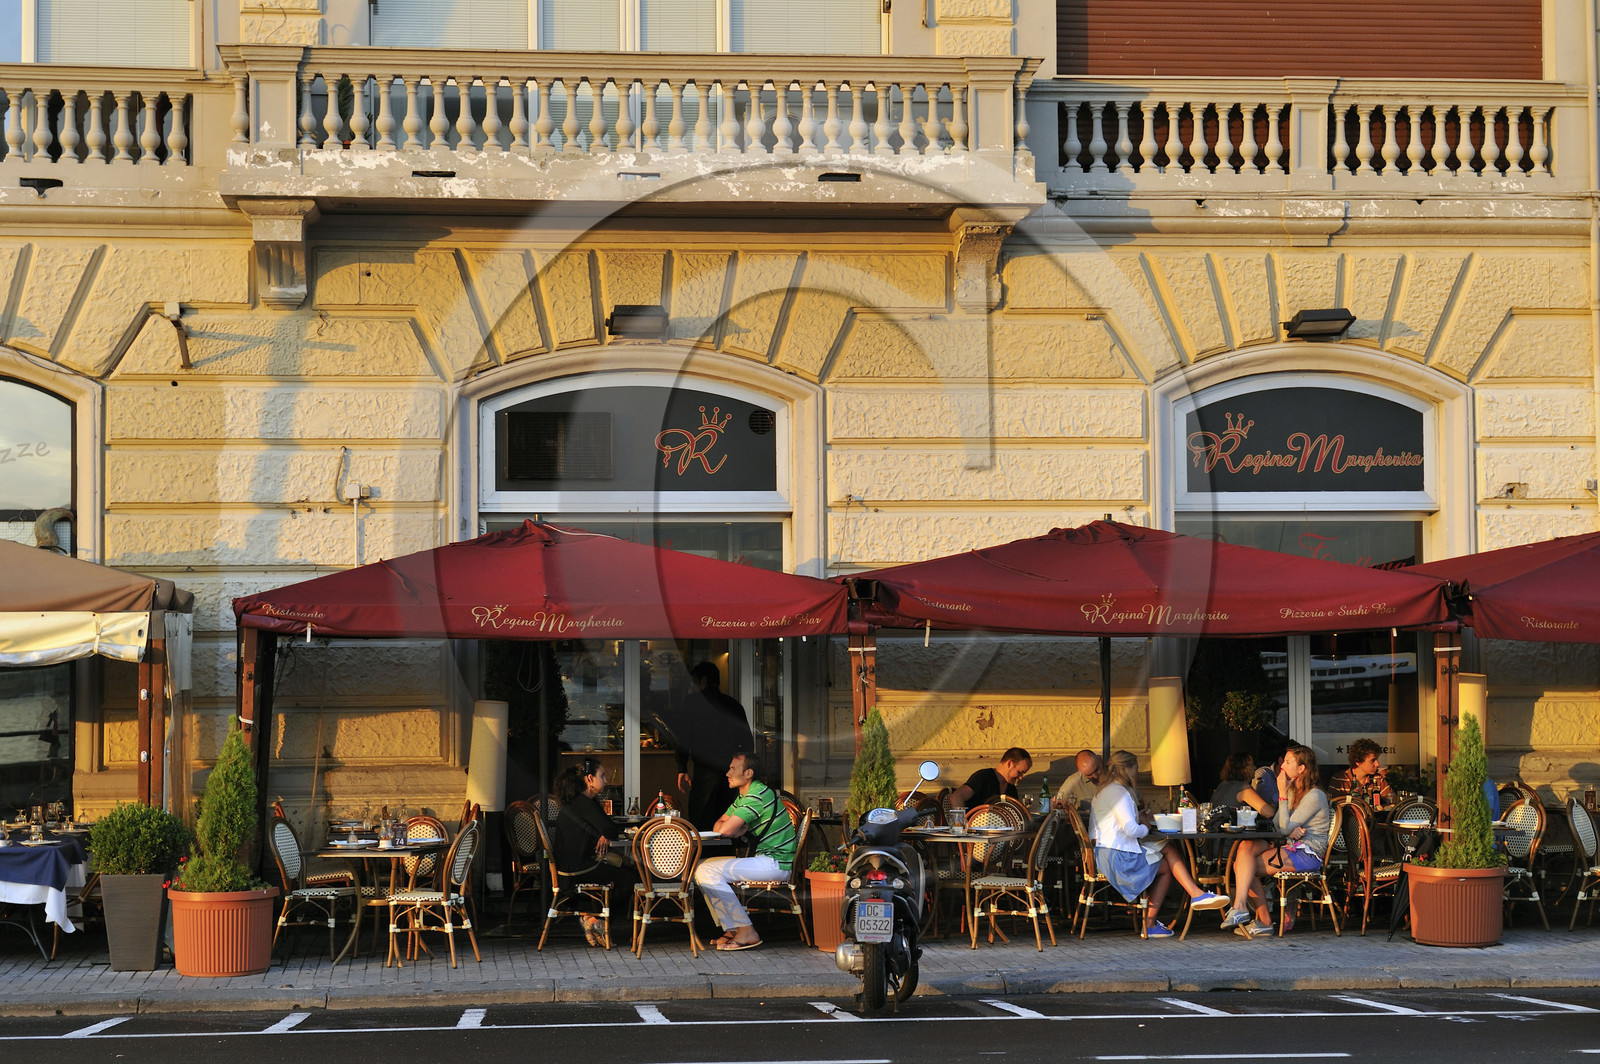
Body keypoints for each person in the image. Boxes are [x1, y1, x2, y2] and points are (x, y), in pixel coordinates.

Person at [1090, 749, 1231, 938]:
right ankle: (1190, 897)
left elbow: (1116, 823)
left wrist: (1136, 818)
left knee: (1166, 857)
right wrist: (1146, 826)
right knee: (1168, 851)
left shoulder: (1106, 790)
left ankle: (1178, 906)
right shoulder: (1120, 792)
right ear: (1127, 769)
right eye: (1136, 768)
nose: (1138, 773)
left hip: (1106, 853)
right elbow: (1131, 830)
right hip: (1119, 858)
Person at [1222, 743, 1332, 939]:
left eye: (1288, 762)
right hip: (1289, 845)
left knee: (1243, 866)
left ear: (1301, 769)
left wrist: (1282, 798)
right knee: (1246, 848)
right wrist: (1288, 829)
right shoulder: (1293, 791)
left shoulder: (1314, 795)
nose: (1282, 767)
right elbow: (1277, 824)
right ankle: (1242, 909)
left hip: (1307, 852)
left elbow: (1282, 827)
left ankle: (1257, 917)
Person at [693, 750, 799, 950]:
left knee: (707, 871)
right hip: (766, 860)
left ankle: (746, 929)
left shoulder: (756, 795)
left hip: (775, 863)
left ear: (748, 773)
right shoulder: (746, 796)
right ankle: (733, 929)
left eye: (733, 769)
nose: (727, 773)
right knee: (701, 867)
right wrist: (730, 828)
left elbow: (724, 829)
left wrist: (731, 828)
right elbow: (720, 826)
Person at [552, 758, 635, 946]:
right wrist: (605, 834)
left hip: (573, 863)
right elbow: (611, 829)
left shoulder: (580, 801)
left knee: (624, 873)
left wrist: (603, 834)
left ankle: (593, 920)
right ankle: (599, 922)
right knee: (627, 879)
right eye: (602, 776)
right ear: (590, 779)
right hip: (575, 868)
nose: (606, 781)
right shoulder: (583, 803)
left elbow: (605, 828)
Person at [668, 662, 755, 831]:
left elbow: (683, 738)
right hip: (732, 774)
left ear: (703, 680)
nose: (693, 687)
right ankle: (727, 856)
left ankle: (705, 856)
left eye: (694, 681)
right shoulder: (734, 705)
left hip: (704, 773)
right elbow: (748, 743)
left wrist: (682, 768)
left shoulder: (692, 703)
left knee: (702, 822)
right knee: (728, 823)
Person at [950, 747, 1033, 810]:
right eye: (1019, 772)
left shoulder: (1011, 788)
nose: (1021, 777)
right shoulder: (983, 777)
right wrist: (961, 822)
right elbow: (956, 796)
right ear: (1009, 764)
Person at [1329, 738, 1396, 809]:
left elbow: (1392, 802)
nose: (1377, 764)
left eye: (1377, 759)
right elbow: (1332, 806)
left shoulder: (1377, 779)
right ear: (1358, 762)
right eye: (1372, 760)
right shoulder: (1340, 779)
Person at [1209, 753, 1277, 819]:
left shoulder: (1223, 785)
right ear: (1244, 769)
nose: (1255, 767)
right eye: (1251, 765)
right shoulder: (1243, 788)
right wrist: (1273, 805)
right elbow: (1269, 813)